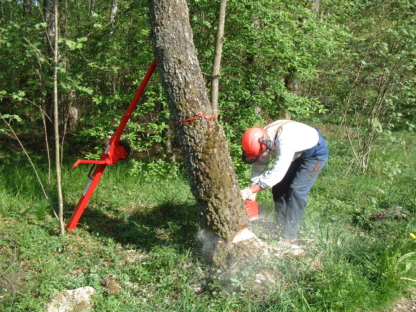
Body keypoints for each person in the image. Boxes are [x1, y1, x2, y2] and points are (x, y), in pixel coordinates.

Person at [240, 120, 328, 243]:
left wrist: (247, 191)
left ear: (266, 144)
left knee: (296, 191)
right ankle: (281, 226)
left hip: (313, 154)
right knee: (279, 188)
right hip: (294, 153)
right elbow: (259, 166)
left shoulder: (285, 140)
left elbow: (277, 174)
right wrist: (251, 194)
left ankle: (290, 236)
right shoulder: (260, 138)